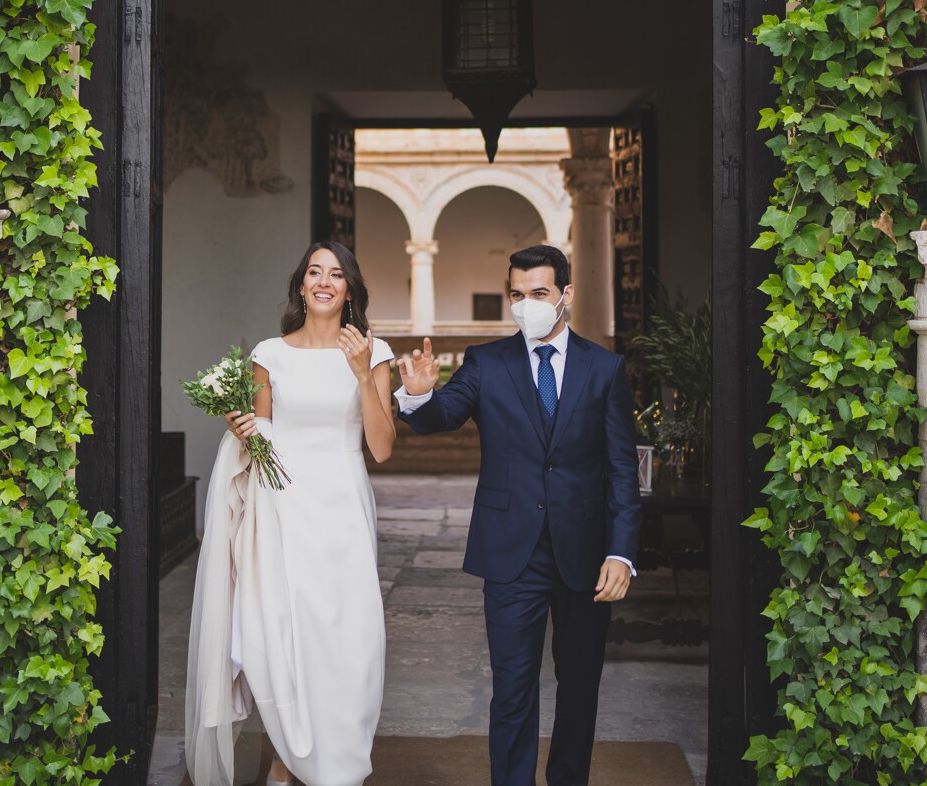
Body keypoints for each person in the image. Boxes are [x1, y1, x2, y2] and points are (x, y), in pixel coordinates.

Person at [395, 244, 641, 786]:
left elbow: (623, 469)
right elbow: (445, 414)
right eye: (517, 294)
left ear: (565, 296)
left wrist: (621, 551)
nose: (526, 304)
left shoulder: (604, 368)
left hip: (586, 554)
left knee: (580, 687)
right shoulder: (487, 362)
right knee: (512, 688)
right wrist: (417, 397)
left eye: (538, 293)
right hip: (511, 553)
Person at [182, 242, 396, 786]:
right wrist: (244, 433)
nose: (324, 281)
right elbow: (262, 438)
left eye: (337, 274)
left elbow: (383, 447)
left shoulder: (374, 352)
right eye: (314, 273)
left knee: (351, 634)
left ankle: (341, 761)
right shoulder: (269, 353)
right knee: (283, 631)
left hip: (344, 504)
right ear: (301, 286)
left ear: (350, 289)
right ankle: (288, 754)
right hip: (283, 505)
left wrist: (360, 371)